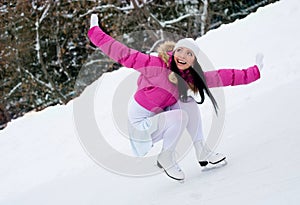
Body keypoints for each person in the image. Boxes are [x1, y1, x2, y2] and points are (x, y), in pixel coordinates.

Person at [88, 14, 263, 181]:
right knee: (179, 116)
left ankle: (201, 150)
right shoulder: (154, 65)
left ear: (193, 61)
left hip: (161, 115)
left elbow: (221, 77)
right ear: (174, 52)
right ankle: (166, 157)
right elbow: (122, 53)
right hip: (141, 126)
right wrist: (95, 31)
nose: (183, 56)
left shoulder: (189, 77)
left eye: (189, 54)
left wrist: (253, 73)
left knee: (187, 102)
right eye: (180, 50)